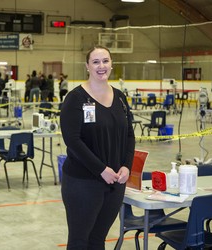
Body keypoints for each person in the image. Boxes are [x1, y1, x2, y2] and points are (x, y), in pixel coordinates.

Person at [60, 45, 135, 249]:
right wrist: (101, 170)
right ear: (87, 66)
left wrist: (127, 166)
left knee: (97, 240)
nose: (101, 66)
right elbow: (73, 140)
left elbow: (129, 134)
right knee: (79, 241)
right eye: (95, 62)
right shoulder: (76, 98)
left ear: (111, 64)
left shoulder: (120, 97)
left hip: (115, 183)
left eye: (105, 61)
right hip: (83, 182)